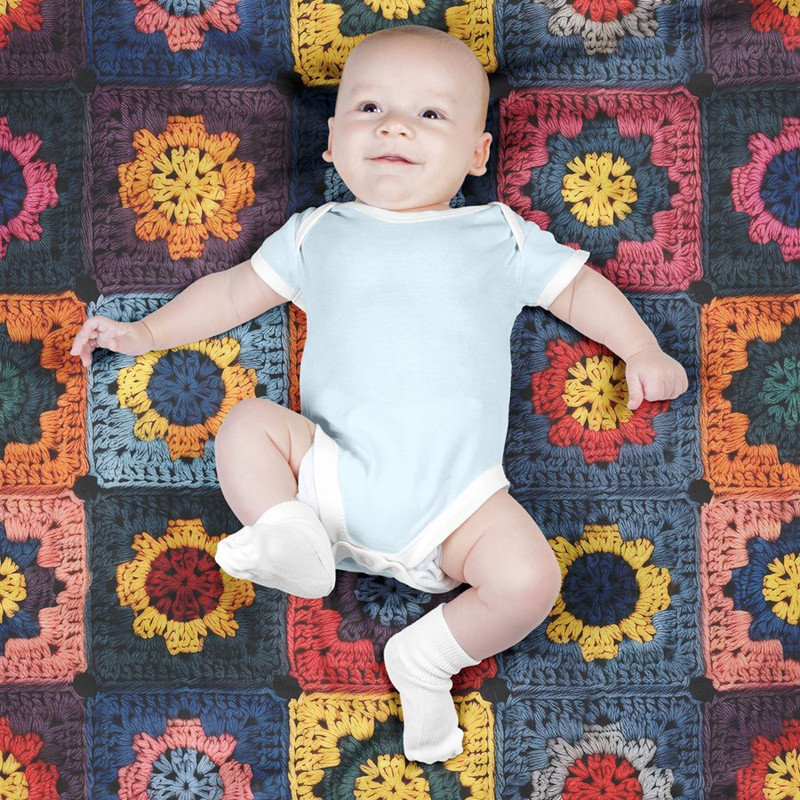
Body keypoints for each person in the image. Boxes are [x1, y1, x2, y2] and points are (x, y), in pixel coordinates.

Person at [71, 25, 688, 764]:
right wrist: (144, 333)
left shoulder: (499, 237)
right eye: (368, 108)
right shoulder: (316, 234)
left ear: (478, 154)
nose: (394, 126)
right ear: (332, 141)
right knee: (247, 426)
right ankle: (284, 530)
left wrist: (641, 348)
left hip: (458, 506)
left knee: (530, 580)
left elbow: (579, 289)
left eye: (430, 114)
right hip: (326, 479)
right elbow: (231, 293)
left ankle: (426, 657)